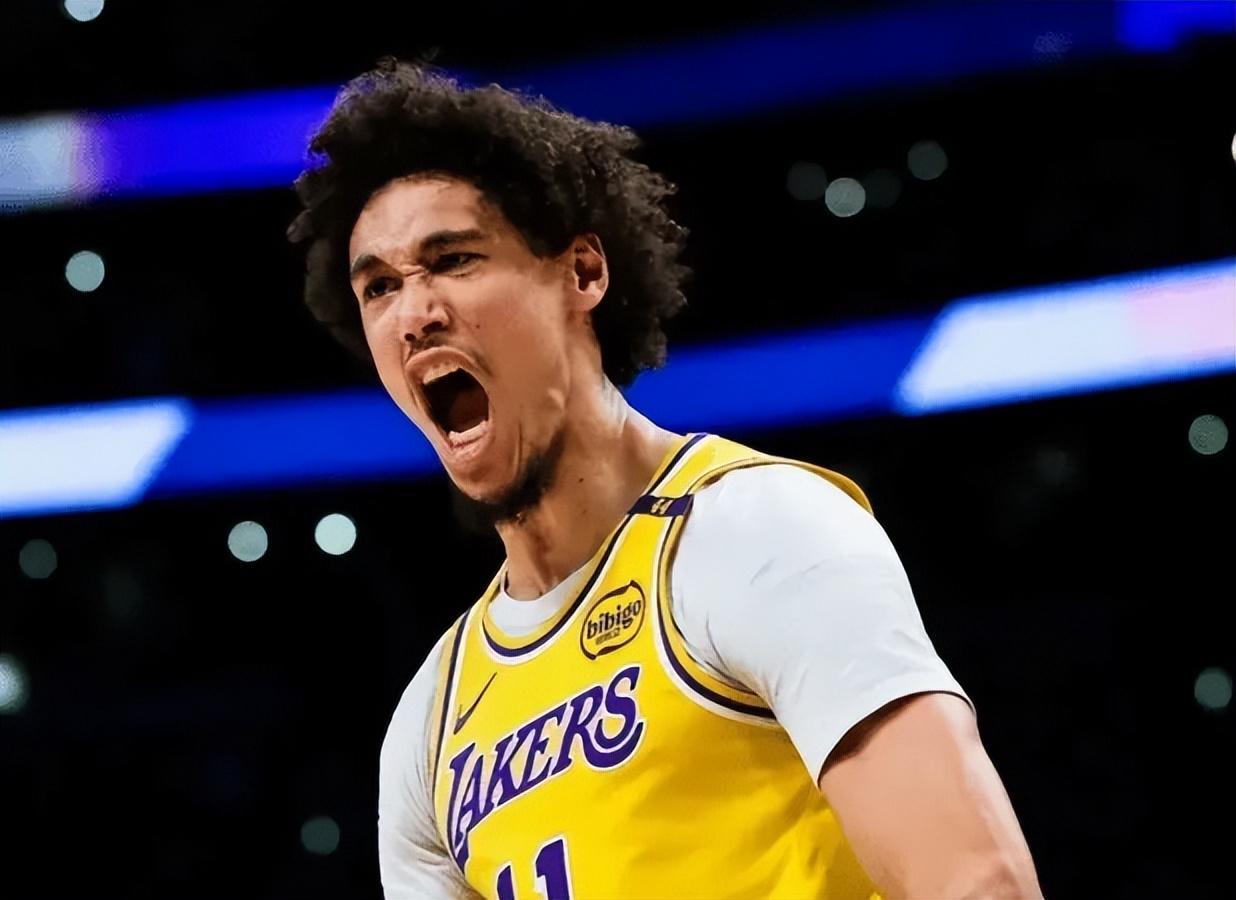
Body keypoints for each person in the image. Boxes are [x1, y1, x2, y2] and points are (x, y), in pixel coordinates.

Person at [287, 57, 1042, 900]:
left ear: (582, 273)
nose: (414, 315)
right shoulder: (429, 725)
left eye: (454, 260)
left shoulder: (754, 532)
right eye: (380, 287)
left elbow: (974, 881)